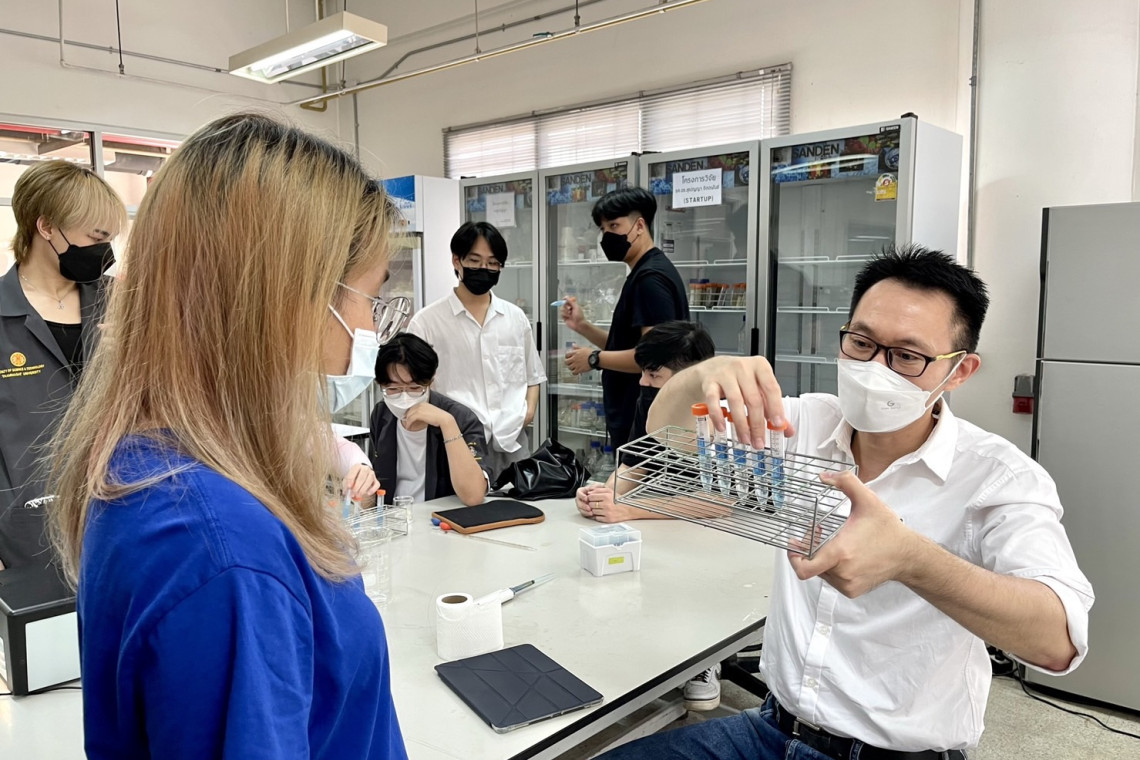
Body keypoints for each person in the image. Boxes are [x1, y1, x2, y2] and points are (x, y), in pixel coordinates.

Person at [601, 245, 1094, 759]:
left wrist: (912, 560)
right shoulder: (803, 424)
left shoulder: (996, 477)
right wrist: (702, 375)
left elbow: (1058, 641)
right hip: (770, 730)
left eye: (907, 356)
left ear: (960, 371)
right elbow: (667, 430)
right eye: (861, 342)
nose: (875, 368)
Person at [47, 114, 407, 758]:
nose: (371, 325)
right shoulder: (224, 550)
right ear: (290, 297)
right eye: (371, 296)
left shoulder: (150, 468)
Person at [575, 320, 724, 711]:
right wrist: (604, 494)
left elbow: (720, 502)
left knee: (693, 579)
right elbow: (636, 463)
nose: (642, 382)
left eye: (653, 374)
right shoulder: (653, 398)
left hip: (725, 532)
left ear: (690, 376)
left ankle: (705, 658)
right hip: (667, 516)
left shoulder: (724, 413)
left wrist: (630, 509)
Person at [0, 159, 126, 571]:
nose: (105, 251)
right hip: (25, 533)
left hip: (119, 513)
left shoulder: (122, 303)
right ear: (47, 227)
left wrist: (131, 360)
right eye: (96, 236)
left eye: (110, 238)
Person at [407, 221, 545, 479]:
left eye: (493, 263)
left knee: (517, 503)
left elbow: (533, 376)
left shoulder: (515, 318)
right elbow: (413, 387)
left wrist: (528, 412)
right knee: (459, 503)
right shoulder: (426, 322)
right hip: (456, 443)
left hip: (513, 442)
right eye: (474, 260)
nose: (484, 269)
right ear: (456, 261)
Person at [561, 187, 689, 449]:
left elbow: (651, 357)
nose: (607, 236)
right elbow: (631, 344)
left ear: (639, 226)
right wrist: (582, 326)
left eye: (614, 225)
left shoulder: (650, 280)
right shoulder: (645, 272)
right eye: (603, 228)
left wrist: (594, 359)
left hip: (645, 417)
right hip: (639, 413)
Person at [369, 332, 492, 506]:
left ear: (430, 381)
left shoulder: (461, 418)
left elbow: (474, 496)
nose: (404, 397)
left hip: (439, 517)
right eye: (393, 389)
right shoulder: (382, 414)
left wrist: (447, 424)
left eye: (414, 388)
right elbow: (374, 484)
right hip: (393, 515)